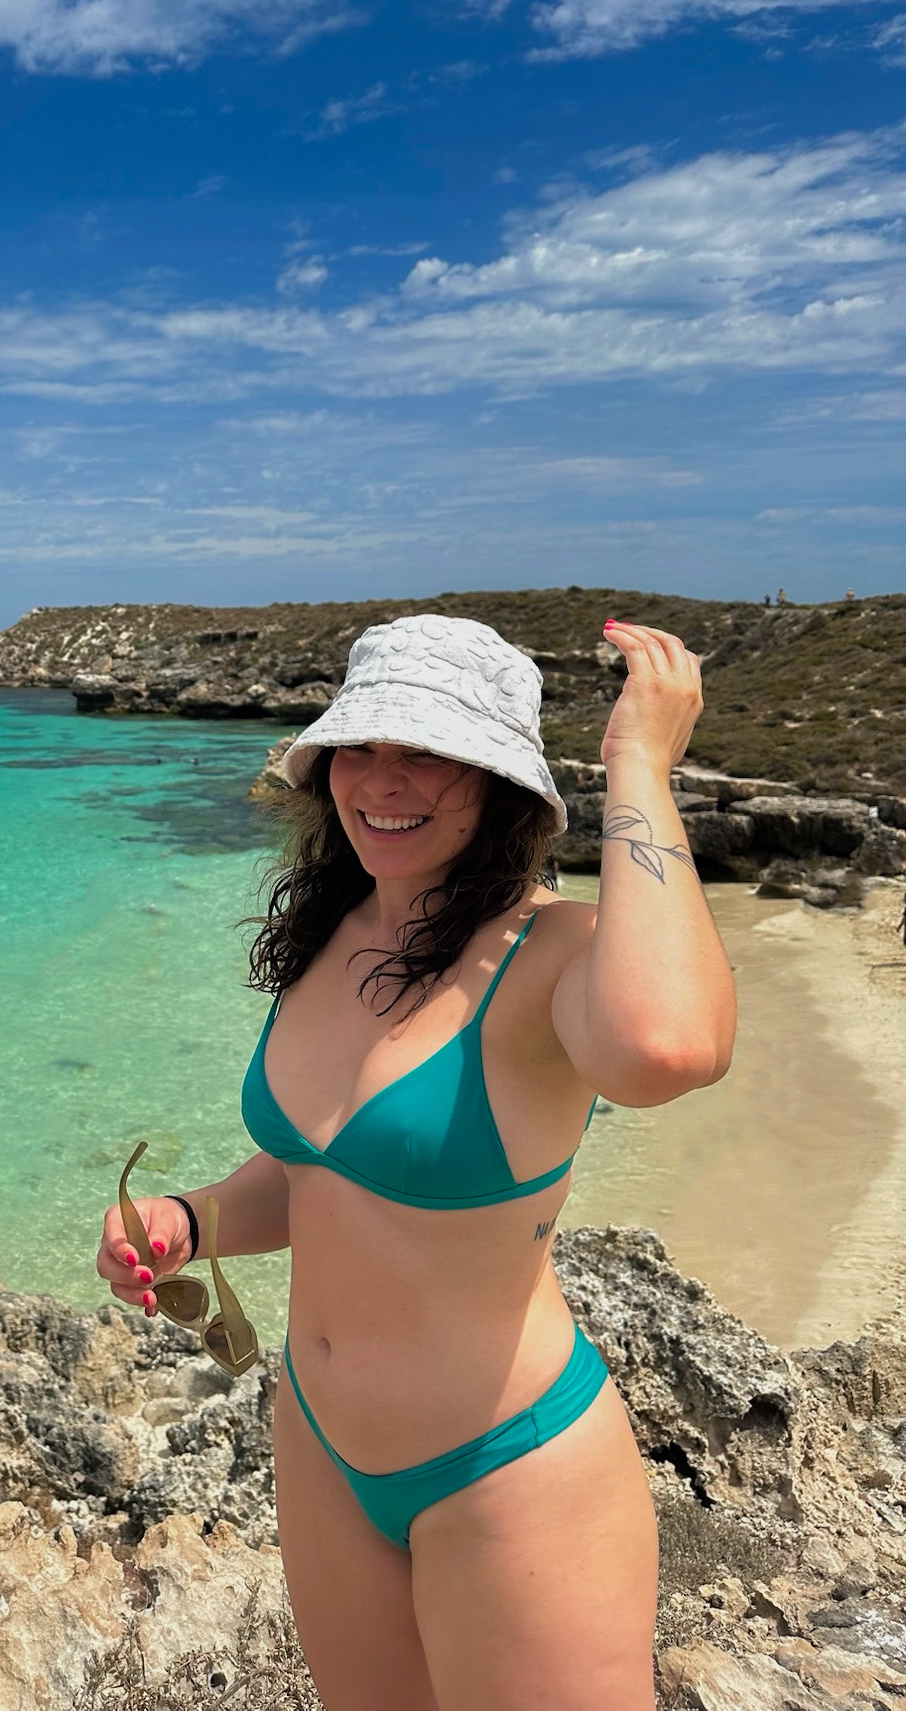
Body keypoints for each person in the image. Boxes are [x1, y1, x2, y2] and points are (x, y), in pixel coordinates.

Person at [97, 614, 736, 1711]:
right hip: (320, 1442)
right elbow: (316, 1177)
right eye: (364, 743)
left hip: (507, 1467)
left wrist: (638, 762)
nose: (384, 779)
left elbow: (667, 1043)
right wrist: (190, 1217)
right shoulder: (334, 929)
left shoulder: (552, 953)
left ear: (501, 784)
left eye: (430, 751)